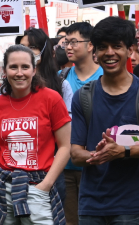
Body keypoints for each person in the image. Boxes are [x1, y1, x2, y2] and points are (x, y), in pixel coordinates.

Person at [0, 44, 71, 225]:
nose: (19, 73)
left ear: (34, 69)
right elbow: (0, 150)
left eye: (25, 67)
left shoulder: (51, 99)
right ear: (4, 71)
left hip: (38, 186)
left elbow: (66, 147)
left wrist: (45, 186)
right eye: (13, 67)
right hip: (1, 186)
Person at [71, 16, 139, 225]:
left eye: (117, 46)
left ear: (130, 50)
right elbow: (75, 153)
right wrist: (97, 154)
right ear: (95, 53)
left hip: (132, 206)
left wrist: (123, 151)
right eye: (103, 47)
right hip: (92, 205)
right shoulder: (83, 96)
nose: (109, 53)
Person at [16, 28, 73, 205]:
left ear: (43, 50)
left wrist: (47, 182)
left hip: (50, 169)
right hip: (17, 168)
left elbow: (66, 139)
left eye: (32, 47)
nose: (26, 51)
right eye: (22, 46)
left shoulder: (61, 86)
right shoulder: (10, 88)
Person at [61, 22, 104, 225]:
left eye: (74, 42)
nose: (68, 47)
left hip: (99, 164)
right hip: (66, 166)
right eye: (66, 42)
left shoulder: (106, 77)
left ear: (90, 45)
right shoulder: (61, 78)